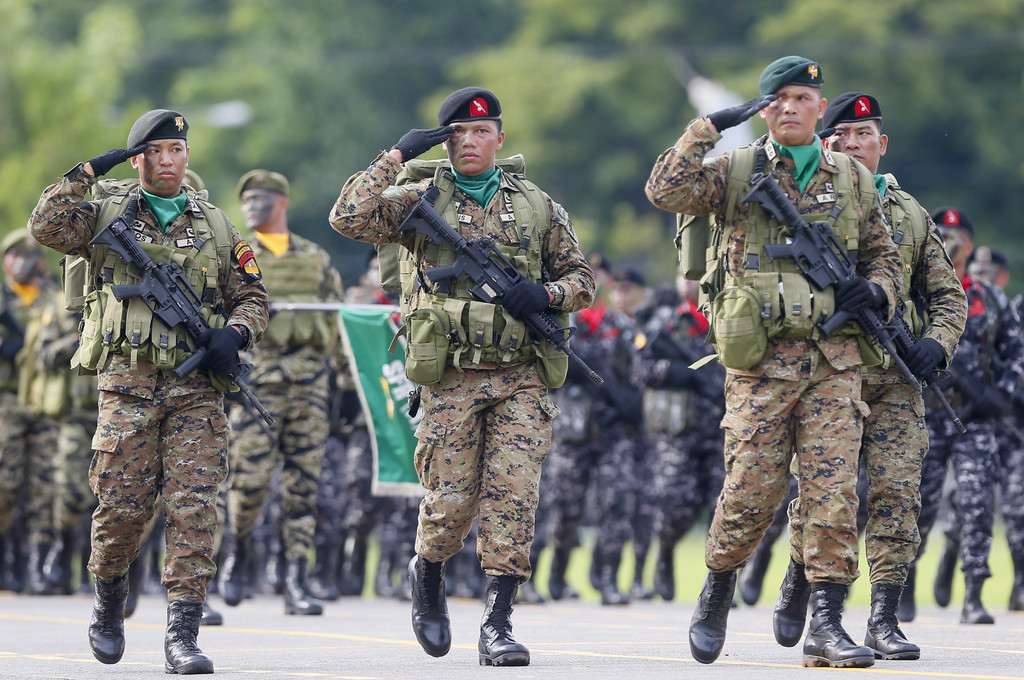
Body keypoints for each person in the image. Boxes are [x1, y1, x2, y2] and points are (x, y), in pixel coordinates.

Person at [646, 56, 903, 668]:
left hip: (835, 360)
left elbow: (883, 255)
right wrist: (705, 127)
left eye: (802, 97)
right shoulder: (736, 170)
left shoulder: (853, 179)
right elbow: (664, 190)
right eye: (778, 98)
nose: (790, 107)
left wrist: (878, 290)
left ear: (819, 106)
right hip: (760, 361)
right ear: (765, 108)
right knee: (751, 492)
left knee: (833, 493)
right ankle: (716, 590)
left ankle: (826, 623)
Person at [329, 86, 595, 667]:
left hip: (521, 375)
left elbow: (582, 279)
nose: (469, 142)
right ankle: (428, 573)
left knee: (514, 498)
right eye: (457, 134)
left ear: (500, 138)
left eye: (480, 132)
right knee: (450, 503)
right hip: (449, 375)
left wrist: (544, 293)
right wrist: (395, 157)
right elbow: (346, 217)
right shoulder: (416, 197)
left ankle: (498, 623)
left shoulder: (537, 205)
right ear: (445, 141)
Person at [27, 109, 269, 674]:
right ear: (138, 159)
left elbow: (253, 296)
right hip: (128, 387)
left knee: (195, 510)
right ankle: (109, 604)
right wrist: (90, 169)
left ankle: (182, 634)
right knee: (120, 513)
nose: (167, 161)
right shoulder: (104, 215)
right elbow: (45, 225)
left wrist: (233, 335)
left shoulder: (216, 225)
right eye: (155, 152)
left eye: (176, 151)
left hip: (197, 393)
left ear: (187, 156)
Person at [775, 92, 967, 659]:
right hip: (829, 375)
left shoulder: (910, 214)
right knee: (824, 497)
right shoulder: (805, 204)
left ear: (882, 146)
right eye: (841, 137)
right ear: (824, 142)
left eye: (864, 136)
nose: (852, 145)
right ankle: (803, 581)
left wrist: (938, 344)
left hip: (897, 379)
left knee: (897, 494)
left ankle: (884, 617)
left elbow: (948, 297)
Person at [218, 169, 344, 617]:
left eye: (262, 197)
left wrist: (345, 383)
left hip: (310, 383)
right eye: (247, 198)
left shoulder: (315, 258)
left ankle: (296, 577)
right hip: (259, 384)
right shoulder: (235, 256)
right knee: (248, 482)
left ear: (283, 202)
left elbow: (335, 321)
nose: (252, 204)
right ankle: (238, 550)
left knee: (302, 487)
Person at [910, 207, 1024, 626]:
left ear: (971, 246)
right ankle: (906, 581)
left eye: (958, 236)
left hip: (976, 420)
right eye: (942, 234)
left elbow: (1016, 353)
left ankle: (974, 592)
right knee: (919, 504)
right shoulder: (914, 292)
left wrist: (1000, 393)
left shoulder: (990, 299)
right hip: (926, 416)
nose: (950, 241)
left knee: (977, 505)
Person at [546, 252, 641, 606]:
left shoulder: (624, 326)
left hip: (612, 431)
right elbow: (556, 373)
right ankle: (558, 572)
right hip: (574, 430)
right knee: (566, 509)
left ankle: (608, 579)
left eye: (599, 275)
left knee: (614, 505)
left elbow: (637, 374)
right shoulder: (564, 324)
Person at [632, 271, 726, 602]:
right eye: (685, 275)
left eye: (698, 276)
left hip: (722, 430)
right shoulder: (662, 322)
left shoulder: (726, 315)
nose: (690, 283)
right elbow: (640, 369)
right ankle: (666, 554)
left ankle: (722, 582)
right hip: (680, 432)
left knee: (725, 508)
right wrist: (682, 374)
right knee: (677, 507)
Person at [0, 232, 62, 595]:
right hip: (7, 403)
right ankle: (7, 560)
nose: (18, 262)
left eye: (24, 255)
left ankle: (38, 566)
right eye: (11, 255)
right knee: (5, 487)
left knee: (44, 488)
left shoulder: (53, 300)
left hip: (44, 403)